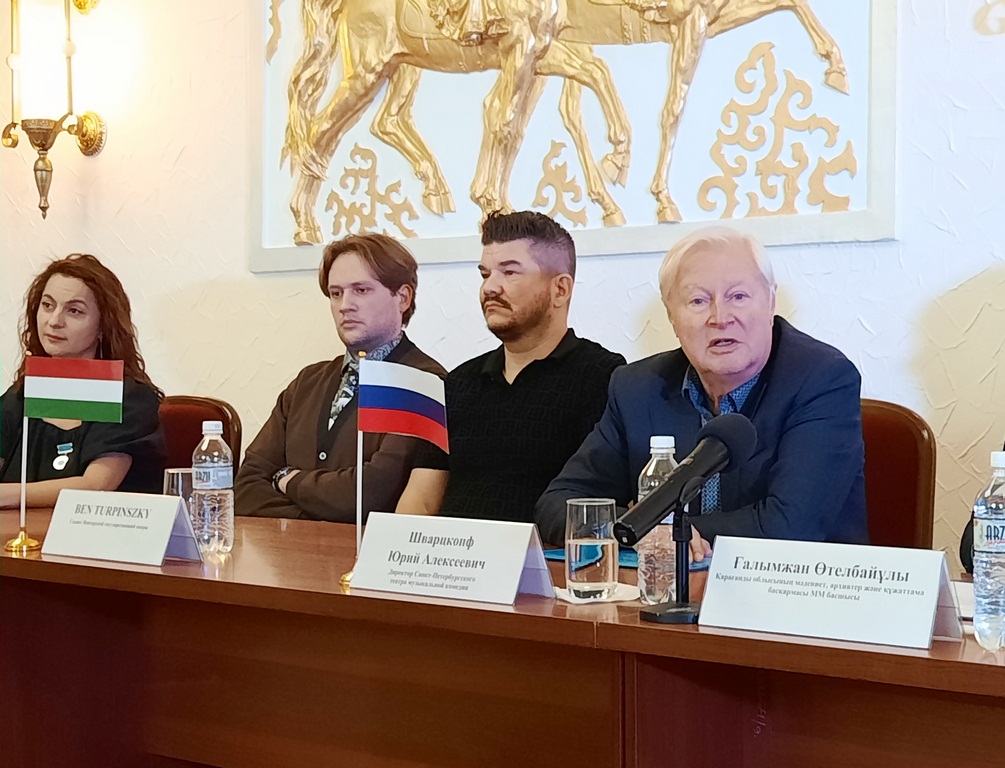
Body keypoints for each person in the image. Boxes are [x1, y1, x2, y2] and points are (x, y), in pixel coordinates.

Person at [535, 226, 867, 550]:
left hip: (792, 583)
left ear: (770, 302)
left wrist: (660, 531)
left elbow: (787, 527)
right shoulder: (637, 387)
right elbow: (557, 504)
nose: (720, 317)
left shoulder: (822, 379)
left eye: (738, 296)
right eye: (698, 300)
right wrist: (637, 531)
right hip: (666, 586)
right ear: (672, 316)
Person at [395, 211, 625, 523]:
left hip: (545, 552)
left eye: (510, 272)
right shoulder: (457, 382)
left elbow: (597, 507)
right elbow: (420, 501)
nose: (490, 288)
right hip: (451, 551)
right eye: (485, 274)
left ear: (560, 289)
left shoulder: (604, 376)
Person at [236, 233, 446, 522]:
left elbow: (371, 494)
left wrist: (286, 479)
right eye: (336, 293)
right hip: (289, 549)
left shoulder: (422, 383)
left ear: (402, 298)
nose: (345, 305)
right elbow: (246, 486)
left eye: (361, 290)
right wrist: (313, 521)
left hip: (370, 550)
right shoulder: (307, 382)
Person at [0, 254, 165, 506]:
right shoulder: (24, 393)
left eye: (74, 311)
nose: (54, 321)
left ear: (103, 326)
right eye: (47, 305)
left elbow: (95, 486)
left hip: (97, 530)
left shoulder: (128, 399)